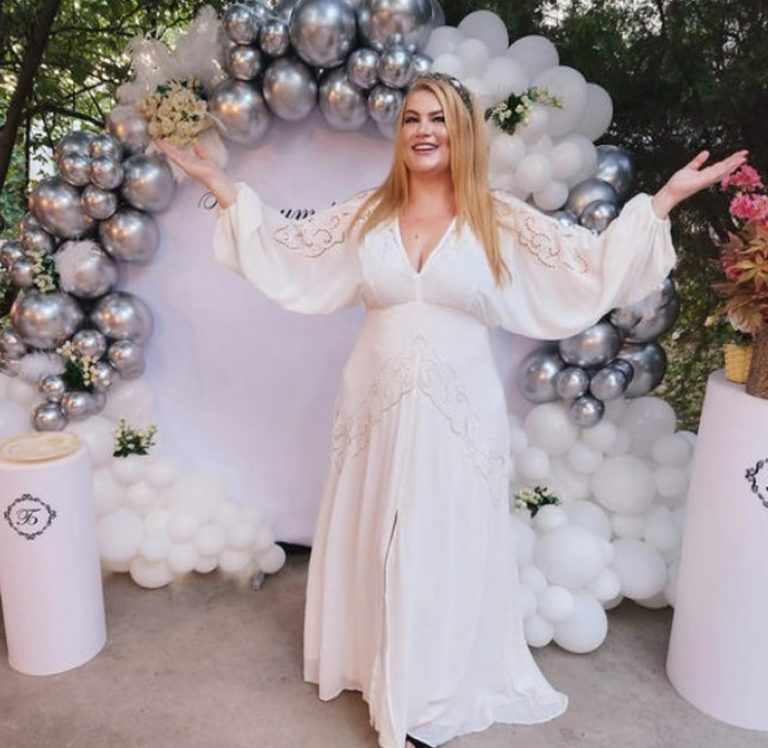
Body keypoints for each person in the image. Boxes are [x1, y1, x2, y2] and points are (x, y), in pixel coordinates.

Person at [157, 74, 746, 748]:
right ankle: (370, 664)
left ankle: (427, 698)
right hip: (373, 404)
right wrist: (222, 187)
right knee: (378, 535)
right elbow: (291, 251)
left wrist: (664, 201)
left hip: (459, 411)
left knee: (440, 542)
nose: (424, 130)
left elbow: (588, 265)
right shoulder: (367, 213)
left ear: (460, 132)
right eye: (412, 118)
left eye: (438, 118)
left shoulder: (497, 218)